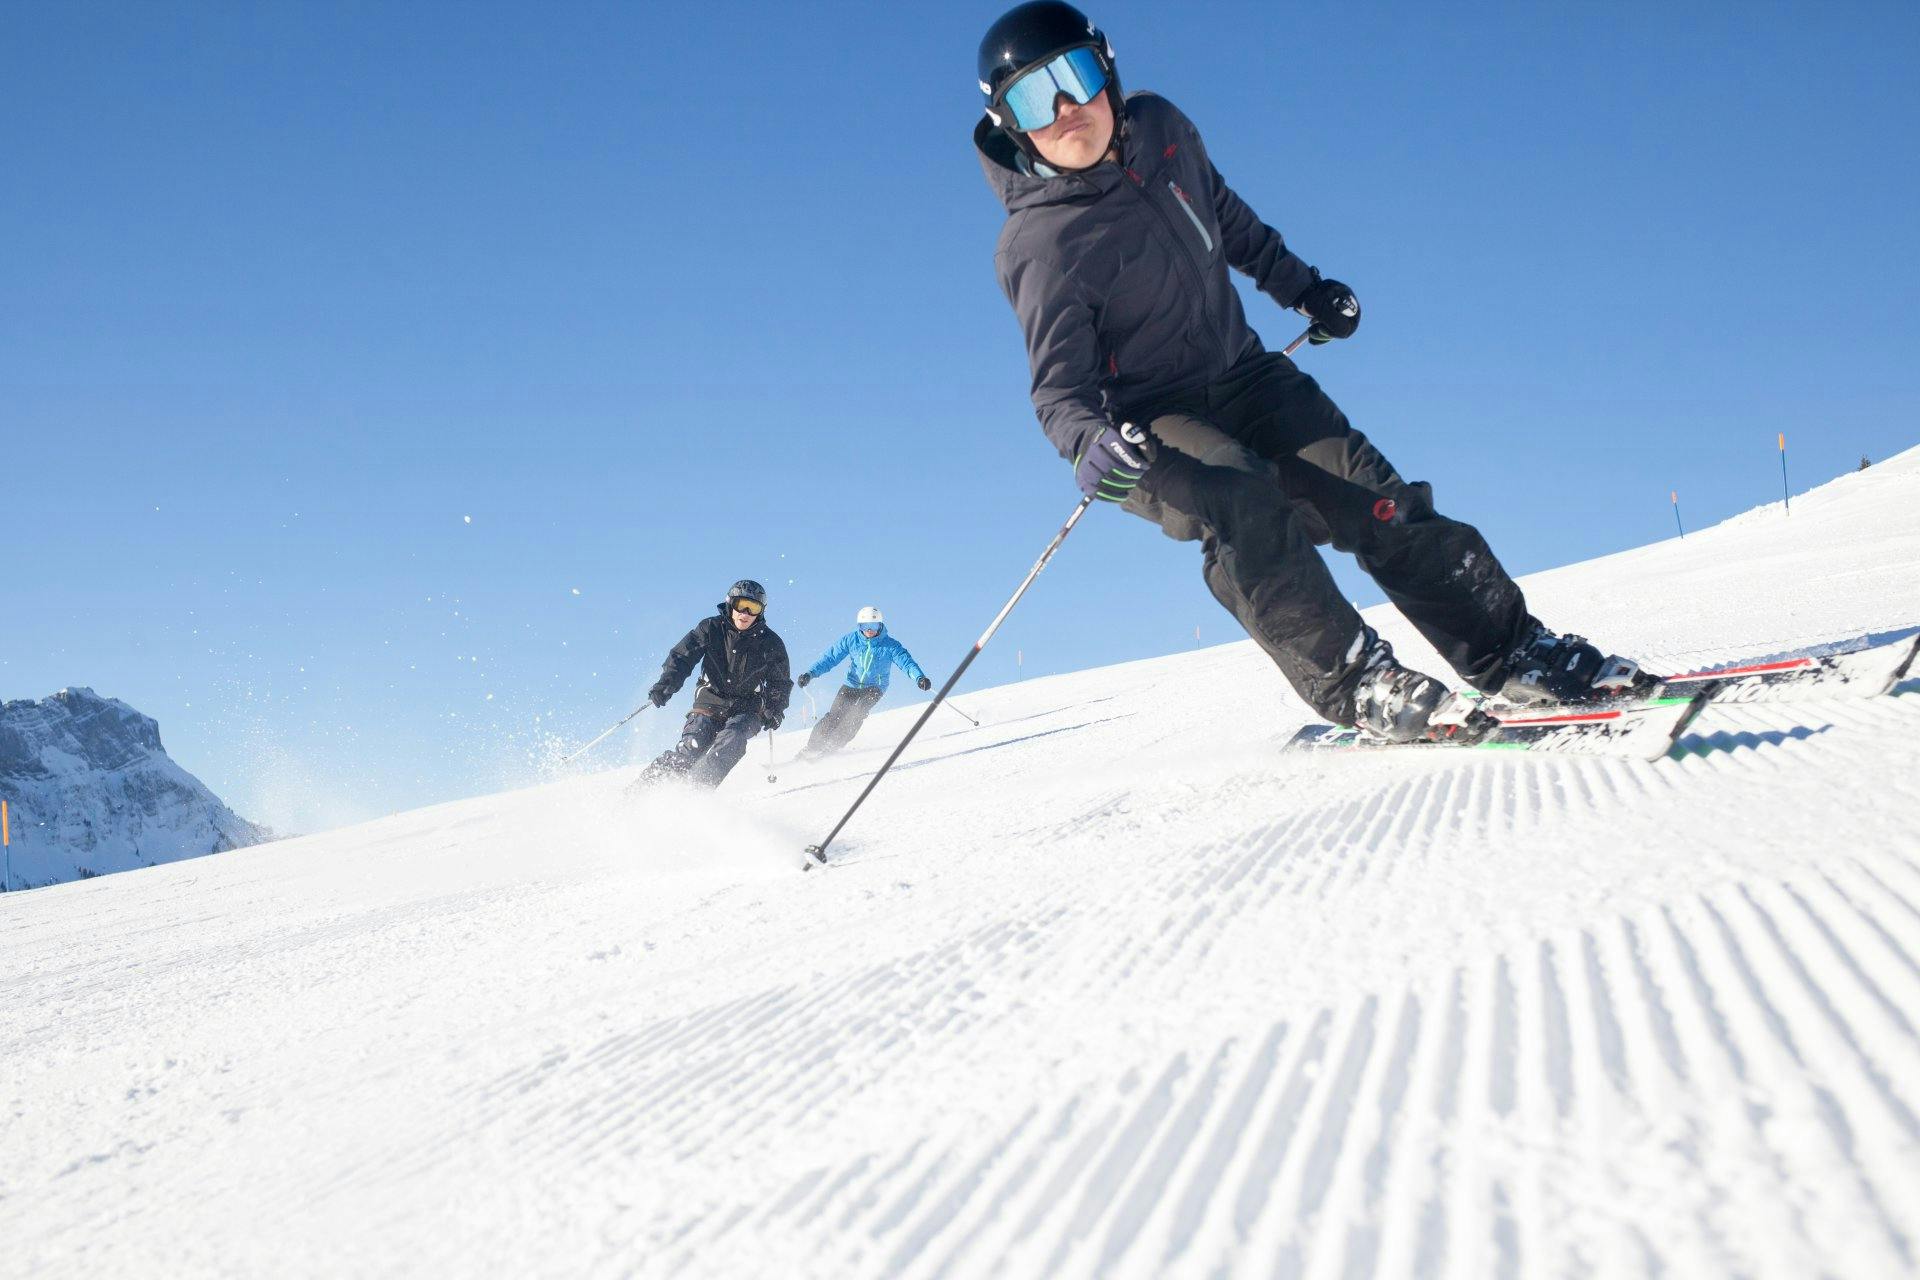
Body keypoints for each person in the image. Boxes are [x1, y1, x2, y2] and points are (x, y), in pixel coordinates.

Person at [973, 1, 1648, 741]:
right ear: (1012, 126)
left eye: (1073, 75)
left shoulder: (1162, 127)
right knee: (1241, 497)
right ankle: (1359, 682)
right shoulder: (1037, 244)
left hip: (1246, 375)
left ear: (1106, 68)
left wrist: (1304, 289)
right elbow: (1059, 391)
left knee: (1371, 491)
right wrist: (1087, 443)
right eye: (1033, 99)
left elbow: (1227, 219)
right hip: (1150, 426)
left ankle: (1510, 651)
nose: (1064, 109)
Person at [633, 579, 792, 789]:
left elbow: (780, 682)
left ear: (760, 612)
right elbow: (682, 657)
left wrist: (775, 709)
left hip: (747, 709)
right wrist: (665, 686)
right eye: (741, 605)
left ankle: (695, 791)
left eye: (752, 608)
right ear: (730, 603)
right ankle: (640, 790)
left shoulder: (770, 643)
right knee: (690, 749)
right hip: (710, 701)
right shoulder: (711, 628)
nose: (745, 613)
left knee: (732, 740)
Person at [794, 606, 932, 759]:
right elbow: (830, 658)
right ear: (859, 626)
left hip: (875, 688)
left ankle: (832, 746)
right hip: (851, 684)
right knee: (834, 716)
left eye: (873, 626)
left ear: (880, 625)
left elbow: (906, 663)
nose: (869, 630)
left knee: (856, 714)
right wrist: (810, 673)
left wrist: (919, 678)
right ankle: (811, 747)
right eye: (865, 626)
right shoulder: (851, 640)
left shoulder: (890, 645)